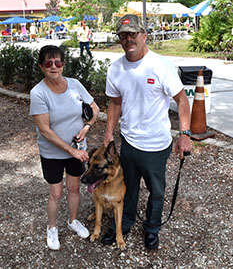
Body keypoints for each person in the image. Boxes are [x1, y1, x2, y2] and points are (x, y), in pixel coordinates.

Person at [102, 14, 192, 250]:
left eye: (133, 34)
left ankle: (152, 229)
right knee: (127, 187)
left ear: (144, 35)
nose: (128, 39)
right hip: (129, 141)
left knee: (156, 191)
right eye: (123, 35)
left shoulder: (161, 66)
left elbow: (182, 101)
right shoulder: (116, 69)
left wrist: (184, 133)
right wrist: (109, 132)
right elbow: (114, 103)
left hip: (156, 145)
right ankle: (125, 224)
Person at [29, 45, 100, 250]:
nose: (54, 67)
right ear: (41, 66)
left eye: (58, 62)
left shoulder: (75, 84)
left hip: (77, 149)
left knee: (74, 188)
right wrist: (72, 150)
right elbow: (45, 131)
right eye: (48, 63)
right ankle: (52, 228)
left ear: (63, 65)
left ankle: (72, 220)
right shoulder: (38, 93)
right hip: (53, 153)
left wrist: (86, 127)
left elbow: (94, 108)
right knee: (56, 193)